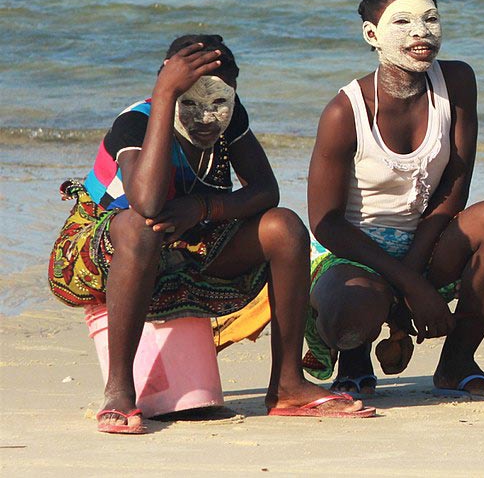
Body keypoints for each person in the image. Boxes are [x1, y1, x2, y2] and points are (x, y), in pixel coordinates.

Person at [48, 35, 373, 435]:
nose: (206, 117)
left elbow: (265, 191)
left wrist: (201, 209)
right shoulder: (136, 121)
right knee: (139, 228)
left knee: (285, 226)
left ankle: (287, 384)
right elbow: (147, 203)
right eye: (189, 102)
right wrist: (164, 98)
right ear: (165, 90)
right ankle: (119, 391)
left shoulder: (231, 119)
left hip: (190, 242)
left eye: (219, 102)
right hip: (109, 250)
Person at [305, 0, 484, 401]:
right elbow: (326, 223)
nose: (421, 32)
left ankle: (457, 362)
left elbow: (455, 185)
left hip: (428, 239)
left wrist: (417, 277)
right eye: (402, 22)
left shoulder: (457, 81)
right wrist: (411, 286)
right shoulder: (344, 111)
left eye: (431, 19)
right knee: (351, 315)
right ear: (371, 35)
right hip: (353, 249)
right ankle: (353, 357)